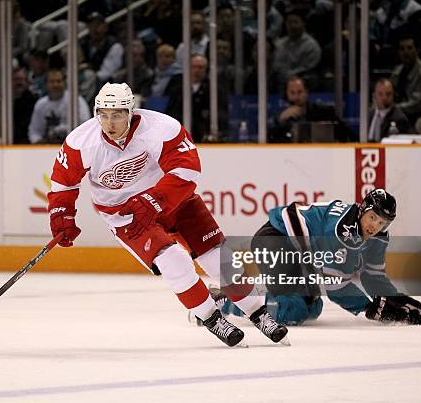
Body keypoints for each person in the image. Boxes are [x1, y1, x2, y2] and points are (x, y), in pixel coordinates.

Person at [47, 82, 288, 346]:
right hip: (126, 216)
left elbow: (187, 170)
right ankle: (211, 317)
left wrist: (152, 201)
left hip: (173, 201)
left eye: (117, 114)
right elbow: (63, 184)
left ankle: (258, 312)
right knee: (173, 260)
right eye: (103, 114)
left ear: (131, 111)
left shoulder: (161, 128)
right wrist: (61, 217)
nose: (110, 122)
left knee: (217, 256)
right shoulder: (81, 141)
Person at [212, 189, 421, 326]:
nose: (375, 226)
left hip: (300, 252)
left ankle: (261, 295)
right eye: (372, 217)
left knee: (312, 308)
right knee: (291, 310)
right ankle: (226, 301)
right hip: (275, 239)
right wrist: (369, 307)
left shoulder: (378, 237)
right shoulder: (340, 230)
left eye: (382, 222)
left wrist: (394, 297)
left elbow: (373, 275)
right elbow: (336, 287)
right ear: (362, 210)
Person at [275, 76, 352, 142]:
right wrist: (281, 120)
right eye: (292, 92)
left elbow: (346, 134)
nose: (296, 97)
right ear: (287, 94)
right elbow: (272, 142)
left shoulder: (324, 112)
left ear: (306, 92)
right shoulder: (281, 117)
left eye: (300, 92)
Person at [28, 69, 91, 144]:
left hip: (74, 146)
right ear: (46, 84)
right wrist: (38, 141)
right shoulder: (41, 104)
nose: (55, 85)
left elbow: (85, 125)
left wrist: (58, 131)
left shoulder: (76, 100)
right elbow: (34, 131)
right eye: (52, 82)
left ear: (64, 83)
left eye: (58, 81)